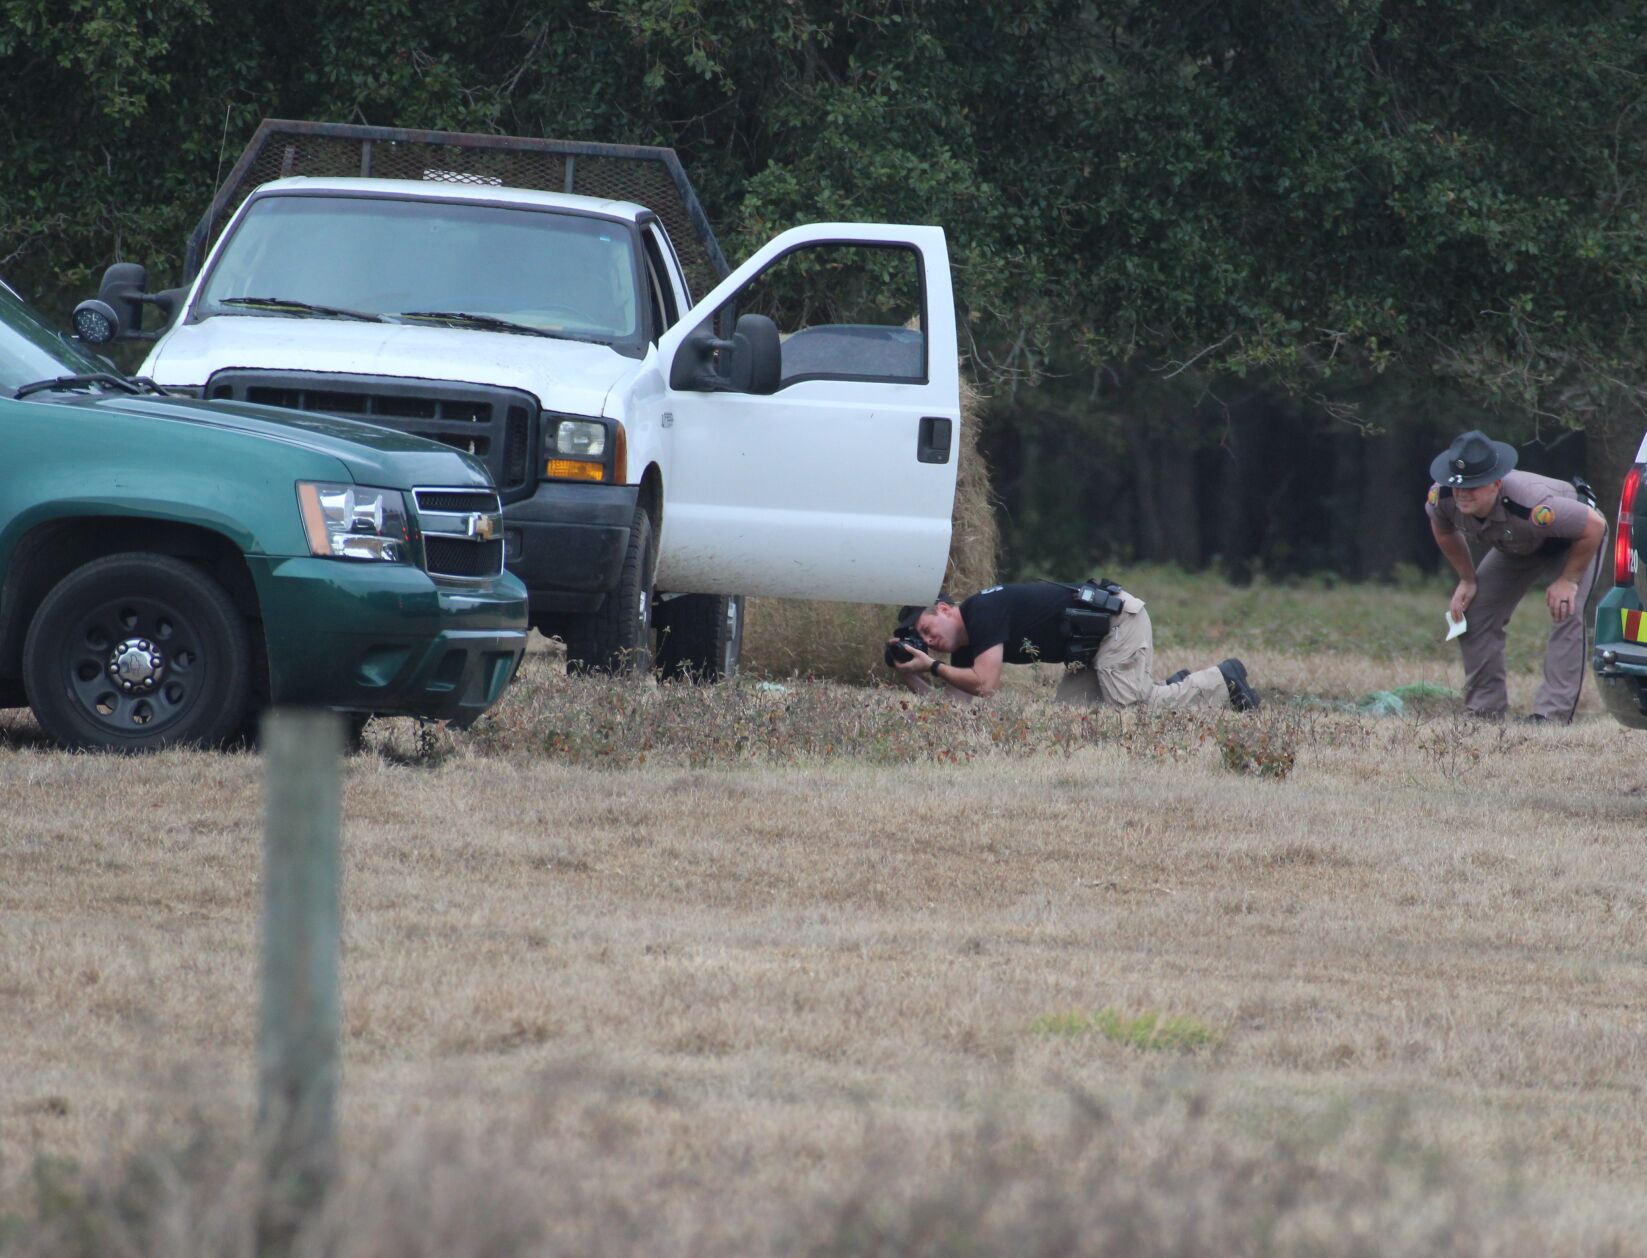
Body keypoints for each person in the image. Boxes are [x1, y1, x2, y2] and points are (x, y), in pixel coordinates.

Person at [1425, 429, 1608, 724]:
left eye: (1472, 485)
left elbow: (1594, 526)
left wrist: (1568, 581)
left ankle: (1550, 716)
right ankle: (1484, 712)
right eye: (1458, 485)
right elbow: (1443, 529)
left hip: (1571, 541)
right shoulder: (1443, 496)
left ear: (1496, 484)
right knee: (1475, 612)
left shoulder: (1532, 504)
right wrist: (1467, 578)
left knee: (1565, 610)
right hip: (1517, 543)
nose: (1462, 493)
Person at [888, 580, 1260, 711]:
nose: (929, 642)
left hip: (1118, 623)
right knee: (1077, 716)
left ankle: (1222, 680)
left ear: (944, 609)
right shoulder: (964, 649)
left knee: (1131, 712)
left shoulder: (981, 610)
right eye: (923, 640)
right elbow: (953, 713)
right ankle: (1172, 687)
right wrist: (911, 675)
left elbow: (986, 685)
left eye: (926, 629)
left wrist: (932, 666)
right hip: (1089, 647)